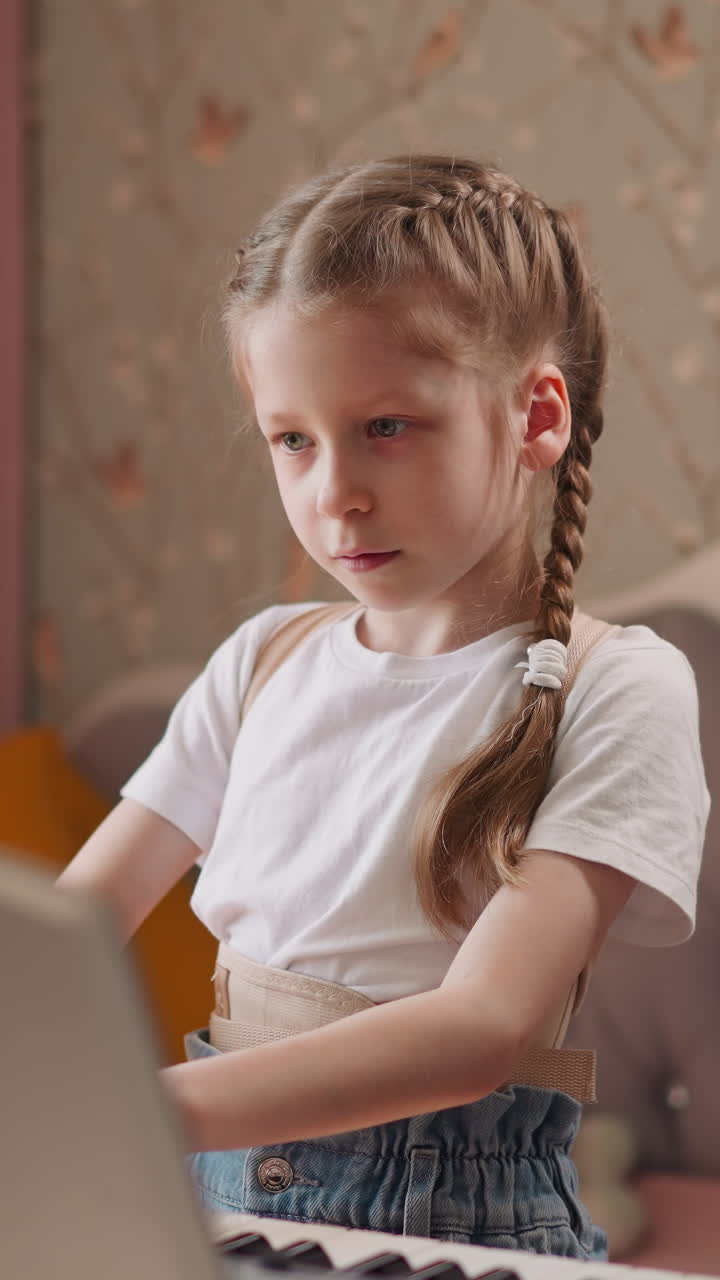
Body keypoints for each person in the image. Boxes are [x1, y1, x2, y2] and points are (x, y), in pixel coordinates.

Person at [57, 154, 710, 1261]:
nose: (334, 493)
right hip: (214, 1193)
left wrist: (135, 1111)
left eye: (388, 427)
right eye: (293, 438)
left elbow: (478, 1031)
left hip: (451, 1222)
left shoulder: (619, 688)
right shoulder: (262, 660)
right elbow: (70, 934)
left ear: (534, 413)